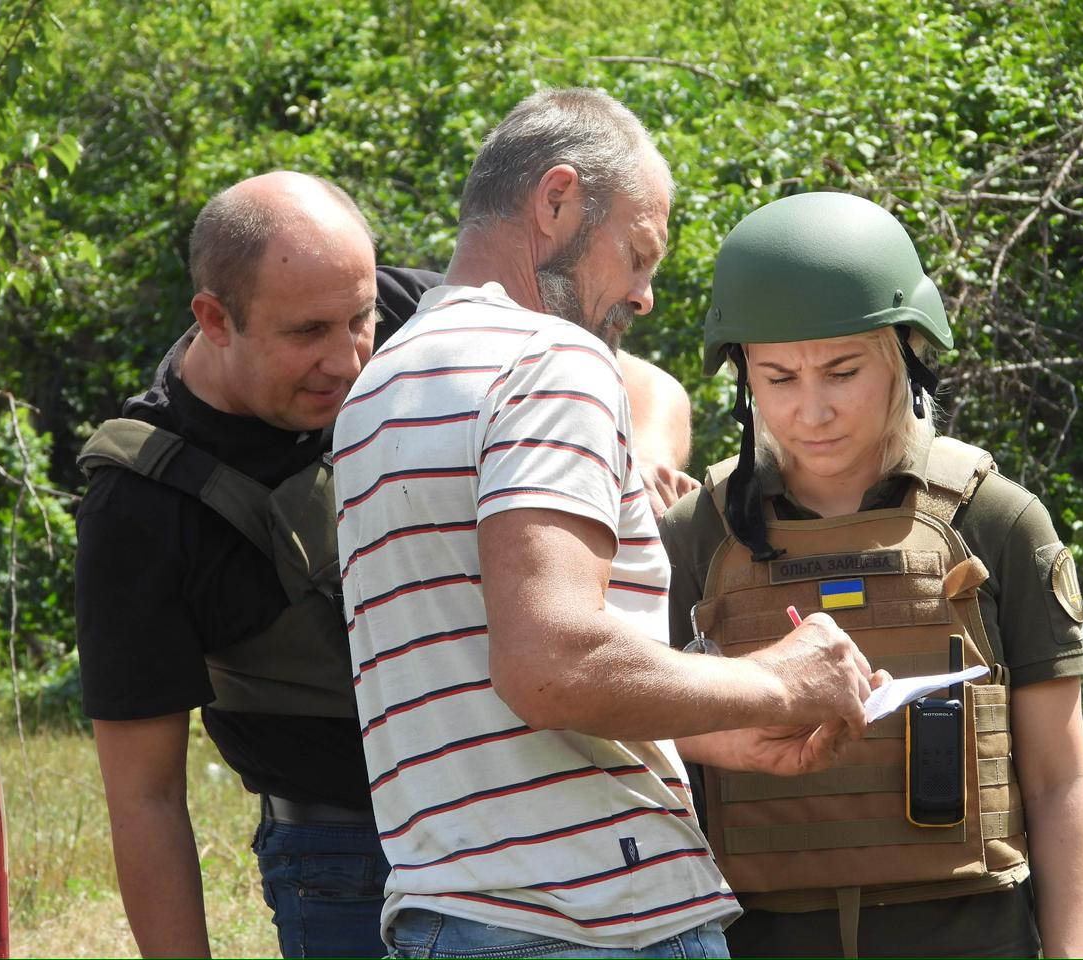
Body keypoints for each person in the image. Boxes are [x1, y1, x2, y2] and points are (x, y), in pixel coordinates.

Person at [73, 170, 698, 958]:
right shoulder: (141, 507)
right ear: (214, 318)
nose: (349, 358)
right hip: (344, 857)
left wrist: (629, 451)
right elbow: (146, 798)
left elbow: (645, 385)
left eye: (359, 318)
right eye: (307, 334)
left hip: (543, 807)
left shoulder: (412, 312)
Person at [334, 87, 886, 959]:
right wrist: (782, 683)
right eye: (636, 255)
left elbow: (484, 675)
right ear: (556, 200)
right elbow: (551, 662)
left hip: (450, 909)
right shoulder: (552, 359)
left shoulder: (376, 388)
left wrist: (712, 723)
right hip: (590, 921)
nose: (645, 295)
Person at [661, 192, 1083, 958]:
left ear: (903, 353)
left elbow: (1059, 780)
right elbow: (642, 744)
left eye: (841, 370)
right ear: (743, 381)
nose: (813, 410)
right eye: (779, 378)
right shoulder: (695, 538)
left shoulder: (996, 521)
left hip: (970, 935)